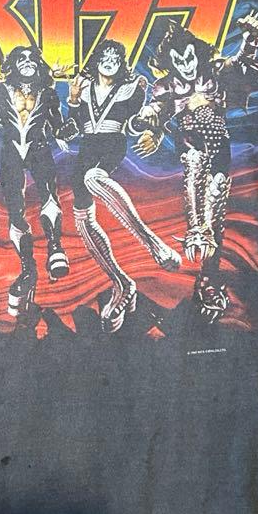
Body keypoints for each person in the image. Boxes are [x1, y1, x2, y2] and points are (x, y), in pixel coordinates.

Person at [134, 12, 258, 321]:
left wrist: (250, 38)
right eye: (179, 61)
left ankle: (208, 273)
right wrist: (148, 123)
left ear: (198, 54)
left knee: (217, 193)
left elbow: (239, 64)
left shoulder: (214, 71)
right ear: (170, 62)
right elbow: (156, 109)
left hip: (218, 143)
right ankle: (196, 229)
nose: (186, 65)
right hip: (190, 142)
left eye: (189, 58)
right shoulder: (166, 86)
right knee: (194, 164)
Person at [64, 39, 180, 332]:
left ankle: (152, 242)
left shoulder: (131, 87)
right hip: (86, 148)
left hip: (111, 144)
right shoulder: (84, 87)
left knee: (93, 178)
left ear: (122, 63)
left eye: (116, 58)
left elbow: (131, 124)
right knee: (82, 218)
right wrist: (73, 100)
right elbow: (74, 125)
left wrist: (148, 126)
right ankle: (121, 283)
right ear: (96, 60)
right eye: (105, 56)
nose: (110, 61)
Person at [0, 44, 71, 319]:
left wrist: (70, 124)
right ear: (12, 65)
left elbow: (58, 126)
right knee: (15, 211)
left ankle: (55, 247)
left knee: (49, 197)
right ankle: (27, 266)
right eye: (21, 59)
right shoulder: (0, 90)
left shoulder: (48, 93)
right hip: (11, 152)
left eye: (32, 58)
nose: (27, 62)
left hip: (38, 148)